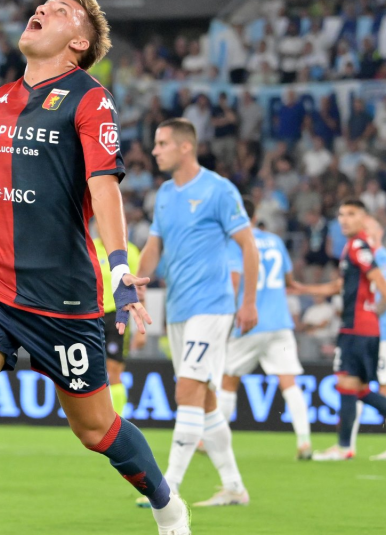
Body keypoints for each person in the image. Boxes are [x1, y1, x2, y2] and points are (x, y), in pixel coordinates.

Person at [0, 0, 189, 535]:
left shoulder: (91, 98)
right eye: (42, 6)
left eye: (61, 11)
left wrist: (118, 267)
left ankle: (166, 503)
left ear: (79, 43)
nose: (42, 10)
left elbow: (104, 186)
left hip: (60, 297)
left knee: (94, 429)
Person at [138, 118, 259, 508]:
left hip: (212, 305)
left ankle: (167, 487)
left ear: (185, 147)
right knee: (203, 398)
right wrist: (136, 283)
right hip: (179, 308)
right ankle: (234, 486)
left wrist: (250, 301)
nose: (154, 150)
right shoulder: (165, 194)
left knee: (187, 388)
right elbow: (154, 246)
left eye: (161, 143)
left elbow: (248, 246)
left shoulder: (219, 190)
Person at [293, 199, 386, 462]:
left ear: (363, 219)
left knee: (346, 385)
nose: (343, 219)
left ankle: (344, 447)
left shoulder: (359, 246)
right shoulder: (352, 247)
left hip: (358, 328)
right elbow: (340, 285)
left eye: (351, 214)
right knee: (360, 389)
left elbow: (378, 278)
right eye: (341, 214)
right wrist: (304, 289)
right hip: (362, 329)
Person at [218, 199, 312, 460]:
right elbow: (289, 280)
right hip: (280, 322)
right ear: (256, 214)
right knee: (289, 383)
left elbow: (235, 281)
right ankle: (304, 441)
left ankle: (213, 441)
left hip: (249, 320)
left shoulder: (236, 241)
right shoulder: (275, 241)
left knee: (228, 379)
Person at [348, 218, 386, 460]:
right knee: (357, 386)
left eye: (370, 229)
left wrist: (364, 315)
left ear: (380, 233)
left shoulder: (384, 260)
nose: (366, 234)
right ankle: (348, 444)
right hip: (371, 333)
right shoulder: (367, 259)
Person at [93, 224, 142, 414]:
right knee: (91, 370)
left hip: (117, 316)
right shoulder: (90, 247)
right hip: (91, 315)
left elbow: (137, 291)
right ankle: (96, 416)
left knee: (113, 371)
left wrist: (140, 331)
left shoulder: (130, 251)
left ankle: (117, 420)